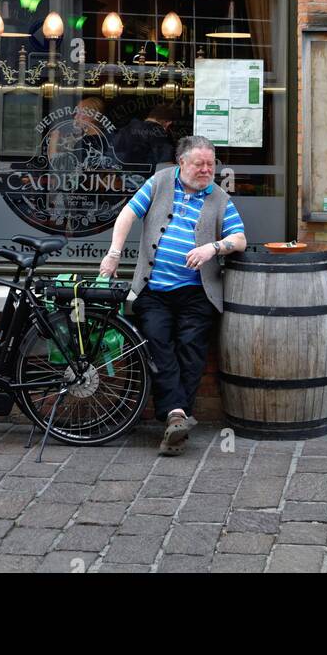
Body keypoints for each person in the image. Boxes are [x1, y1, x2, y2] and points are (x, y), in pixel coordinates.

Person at [99, 134, 246, 456]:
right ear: (182, 162)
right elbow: (127, 214)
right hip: (154, 290)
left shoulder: (219, 197)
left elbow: (239, 238)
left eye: (211, 164)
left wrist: (213, 247)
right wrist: (114, 253)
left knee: (191, 354)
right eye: (199, 164)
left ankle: (175, 418)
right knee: (159, 347)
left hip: (198, 292)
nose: (206, 170)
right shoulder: (160, 182)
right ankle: (177, 416)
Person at [112, 103, 175, 169]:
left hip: (119, 173)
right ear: (168, 123)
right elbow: (166, 164)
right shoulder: (158, 132)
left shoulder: (125, 129)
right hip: (147, 174)